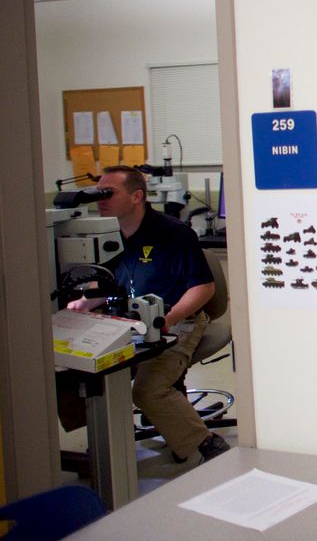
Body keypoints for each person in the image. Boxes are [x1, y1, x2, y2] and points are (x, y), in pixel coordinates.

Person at [67, 165, 230, 464]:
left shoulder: (172, 233)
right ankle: (111, 439)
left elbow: (203, 288)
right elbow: (107, 283)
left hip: (179, 318)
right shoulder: (106, 235)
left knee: (148, 390)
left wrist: (169, 319)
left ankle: (205, 443)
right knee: (81, 372)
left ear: (137, 196)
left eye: (109, 193)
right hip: (126, 320)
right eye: (98, 193)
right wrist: (85, 303)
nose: (100, 199)